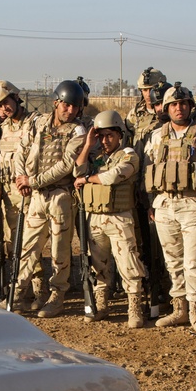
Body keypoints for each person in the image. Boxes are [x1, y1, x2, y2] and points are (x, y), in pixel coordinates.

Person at [144, 82, 196, 332]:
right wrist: (151, 204)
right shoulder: (156, 136)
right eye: (174, 105)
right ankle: (179, 309)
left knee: (193, 262)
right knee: (173, 261)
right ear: (166, 108)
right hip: (164, 204)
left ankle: (195, 311)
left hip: (194, 204)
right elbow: (148, 171)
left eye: (183, 104)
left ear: (190, 106)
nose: (179, 108)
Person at [10, 80, 88, 317]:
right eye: (66, 105)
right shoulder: (37, 122)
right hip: (35, 197)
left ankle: (57, 296)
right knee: (28, 247)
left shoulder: (77, 131)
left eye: (75, 107)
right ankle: (16, 294)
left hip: (60, 197)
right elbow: (21, 151)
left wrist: (32, 181)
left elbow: (65, 165)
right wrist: (20, 178)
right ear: (56, 102)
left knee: (59, 251)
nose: (70, 111)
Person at [73, 109, 146, 327]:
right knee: (98, 265)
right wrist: (88, 145)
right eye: (101, 136)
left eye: (110, 136)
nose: (105, 141)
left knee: (128, 264)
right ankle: (101, 304)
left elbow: (114, 176)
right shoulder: (96, 157)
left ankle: (134, 307)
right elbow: (77, 171)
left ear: (119, 135)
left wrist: (88, 179)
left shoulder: (128, 155)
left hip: (119, 218)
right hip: (95, 218)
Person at [0, 80, 42, 301]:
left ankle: (39, 291)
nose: (4, 108)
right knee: (12, 244)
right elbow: (0, 163)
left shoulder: (34, 124)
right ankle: (21, 289)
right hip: (8, 196)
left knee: (31, 244)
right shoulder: (3, 129)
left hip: (29, 193)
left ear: (16, 98)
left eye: (6, 102)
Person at [125, 67, 167, 151]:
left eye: (151, 89)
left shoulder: (168, 111)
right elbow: (126, 142)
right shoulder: (134, 114)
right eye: (145, 90)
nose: (148, 94)